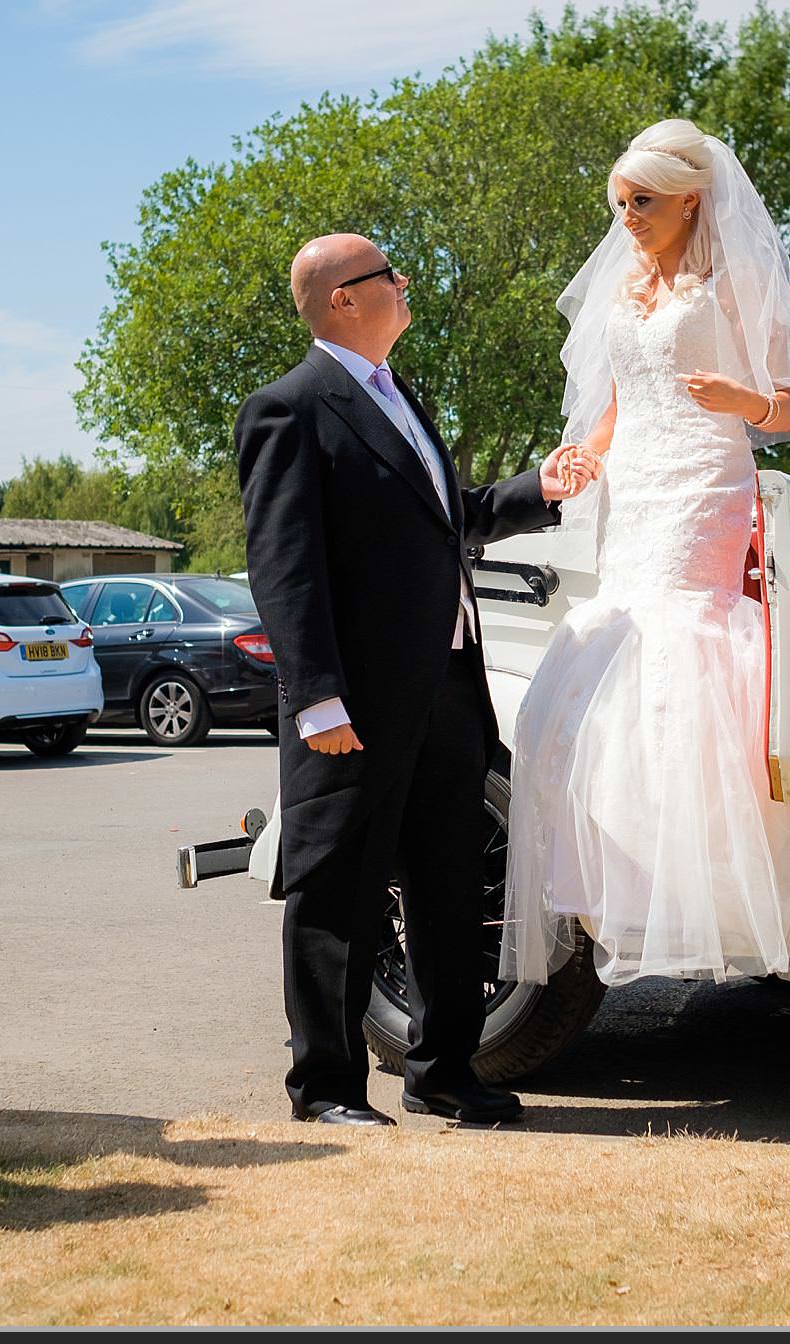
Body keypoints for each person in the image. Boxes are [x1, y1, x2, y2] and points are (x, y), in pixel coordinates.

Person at [500, 119, 790, 988]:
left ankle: (716, 871)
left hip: (705, 479)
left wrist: (744, 399)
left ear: (692, 198)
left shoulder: (740, 276)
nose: (629, 218)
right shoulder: (625, 288)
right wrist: (585, 456)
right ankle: (633, 869)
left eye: (643, 202)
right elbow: (616, 402)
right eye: (620, 204)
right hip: (634, 485)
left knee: (684, 641)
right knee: (618, 644)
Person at [235, 234, 590, 1126]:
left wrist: (537, 488)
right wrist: (316, 696)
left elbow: (450, 521)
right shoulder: (289, 410)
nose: (405, 285)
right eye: (389, 275)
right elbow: (285, 567)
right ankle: (323, 1089)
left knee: (444, 883)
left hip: (449, 690)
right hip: (352, 703)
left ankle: (443, 1071)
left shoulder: (400, 399)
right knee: (339, 890)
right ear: (342, 299)